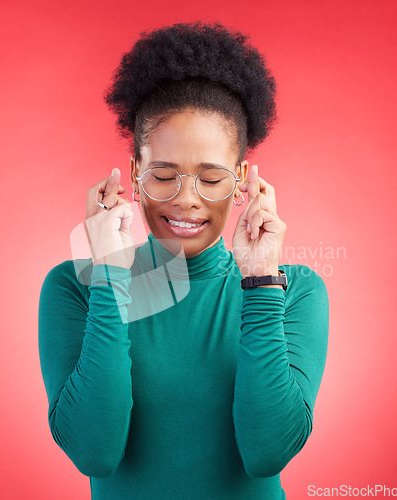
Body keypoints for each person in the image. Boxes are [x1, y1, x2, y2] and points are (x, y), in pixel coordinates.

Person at [38, 21, 329, 500]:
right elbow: (94, 453)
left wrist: (258, 281)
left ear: (240, 178)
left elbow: (266, 453)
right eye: (163, 175)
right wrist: (109, 276)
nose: (186, 199)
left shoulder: (291, 288)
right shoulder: (75, 286)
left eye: (210, 179)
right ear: (134, 173)